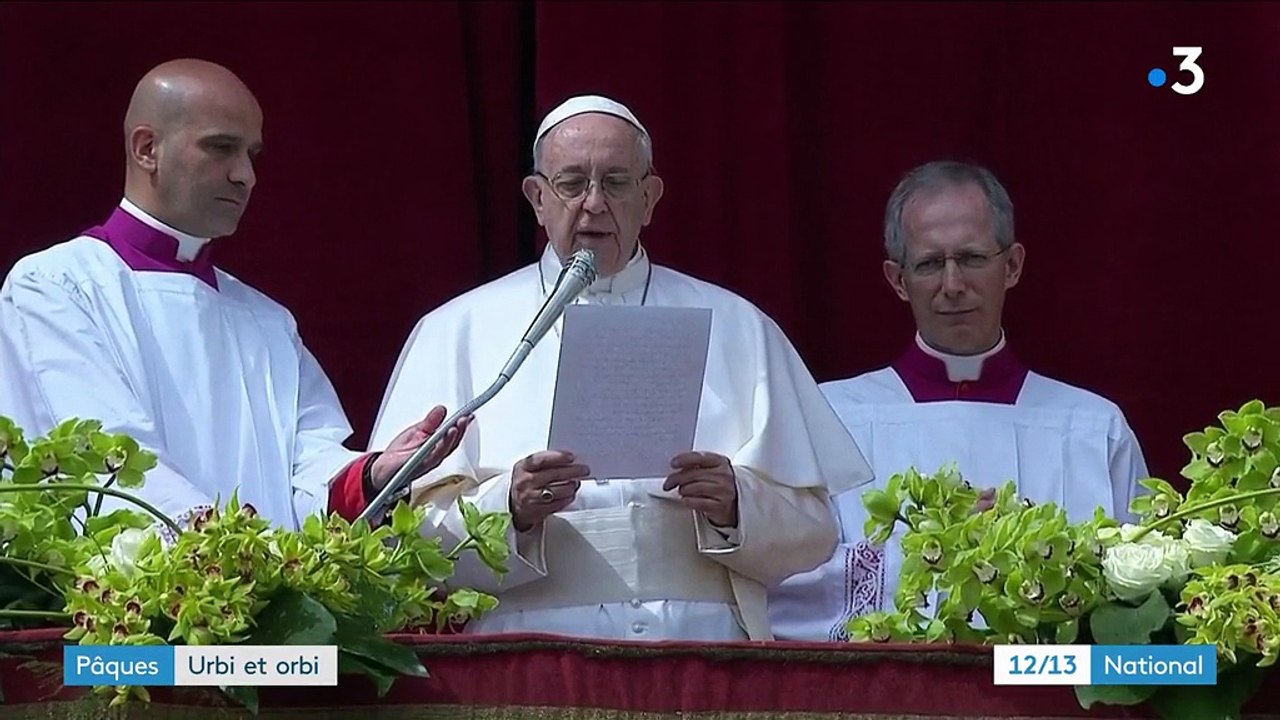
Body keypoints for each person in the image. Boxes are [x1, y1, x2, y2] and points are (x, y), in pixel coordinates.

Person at [369, 94, 872, 641]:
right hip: (526, 654)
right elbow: (401, 537)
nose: (593, 203)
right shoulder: (456, 330)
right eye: (570, 183)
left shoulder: (737, 325)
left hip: (704, 655)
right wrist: (509, 509)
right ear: (537, 198)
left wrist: (736, 506)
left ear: (649, 197)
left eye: (615, 182)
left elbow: (815, 532)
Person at [0, 59, 466, 533]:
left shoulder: (267, 321)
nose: (246, 175)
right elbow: (109, 461)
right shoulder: (55, 287)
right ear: (147, 149)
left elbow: (309, 467)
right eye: (221, 148)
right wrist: (236, 554)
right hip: (127, 598)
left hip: (260, 594)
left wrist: (374, 473)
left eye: (252, 155)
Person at [767, 160, 1149, 641]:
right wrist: (930, 552)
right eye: (929, 264)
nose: (952, 285)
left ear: (1011, 266)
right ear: (898, 280)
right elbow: (781, 587)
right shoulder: (831, 416)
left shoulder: (1093, 427)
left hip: (1049, 695)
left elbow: (1142, 604)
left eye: (971, 259)